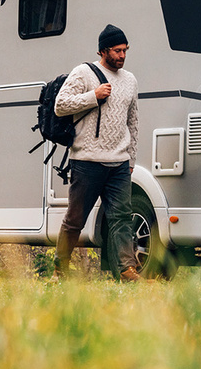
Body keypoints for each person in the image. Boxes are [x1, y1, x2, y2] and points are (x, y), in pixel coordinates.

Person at [53, 24, 140, 279]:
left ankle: (127, 269)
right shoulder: (83, 73)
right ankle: (60, 269)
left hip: (119, 163)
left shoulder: (130, 80)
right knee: (75, 221)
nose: (122, 55)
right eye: (117, 50)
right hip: (87, 161)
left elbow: (133, 121)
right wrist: (93, 96)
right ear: (103, 51)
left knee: (122, 218)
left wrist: (131, 158)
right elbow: (60, 105)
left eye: (125, 50)